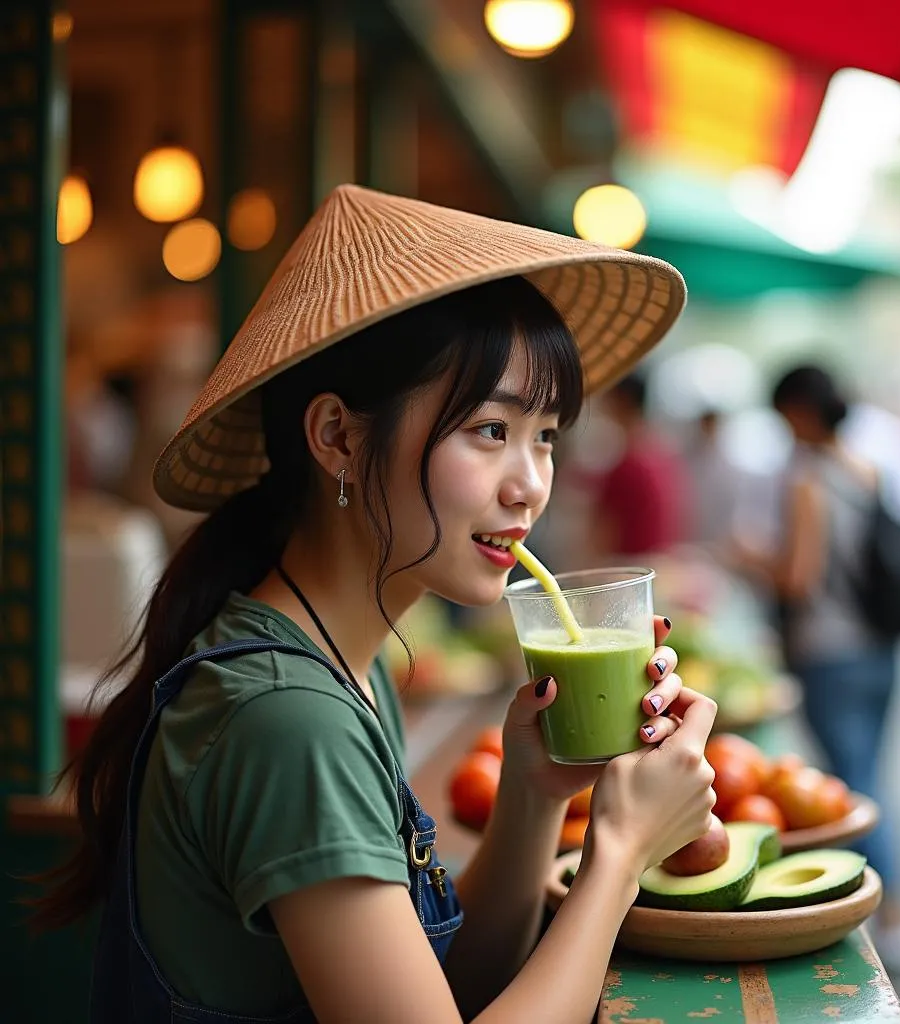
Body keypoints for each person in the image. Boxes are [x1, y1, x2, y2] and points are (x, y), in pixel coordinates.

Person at [35, 185, 718, 1024]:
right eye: (491, 431)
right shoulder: (290, 720)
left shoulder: (345, 669)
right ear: (338, 438)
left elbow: (449, 993)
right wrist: (618, 855)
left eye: (545, 437)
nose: (530, 485)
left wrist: (534, 795)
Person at [733, 364, 900, 972]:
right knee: (871, 775)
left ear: (803, 411)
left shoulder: (808, 479)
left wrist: (749, 554)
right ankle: (893, 914)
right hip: (883, 649)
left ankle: (888, 916)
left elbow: (798, 578)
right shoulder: (866, 468)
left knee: (851, 785)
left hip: (831, 653)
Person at [586, 372, 690, 560]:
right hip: (663, 564)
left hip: (631, 570)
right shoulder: (663, 454)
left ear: (621, 401)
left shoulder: (628, 465)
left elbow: (601, 535)